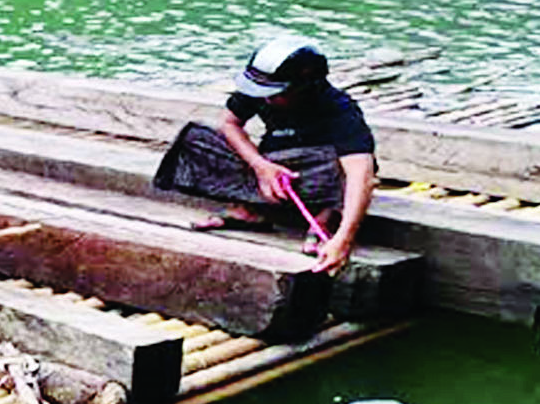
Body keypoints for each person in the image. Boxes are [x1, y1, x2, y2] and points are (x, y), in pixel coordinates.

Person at [153, 34, 376, 275]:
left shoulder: (339, 109)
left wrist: (344, 239)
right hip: (268, 168)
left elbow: (361, 173)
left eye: (278, 93)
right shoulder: (259, 92)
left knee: (344, 164)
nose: (267, 99)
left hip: (310, 178)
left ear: (305, 86)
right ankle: (248, 210)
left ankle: (326, 219)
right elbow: (230, 123)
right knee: (195, 139)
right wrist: (260, 166)